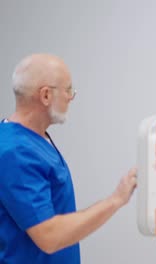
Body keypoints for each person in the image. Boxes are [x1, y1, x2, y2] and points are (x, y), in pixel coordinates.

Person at [0, 54, 137, 263]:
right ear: (45, 96)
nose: (71, 97)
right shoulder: (15, 152)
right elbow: (50, 236)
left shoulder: (34, 139)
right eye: (68, 90)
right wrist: (116, 200)